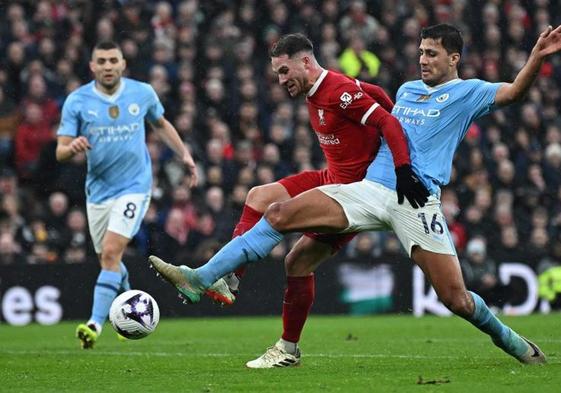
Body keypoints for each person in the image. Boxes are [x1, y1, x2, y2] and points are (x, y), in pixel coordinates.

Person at [150, 23, 559, 367]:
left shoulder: (469, 92)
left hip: (416, 201)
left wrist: (536, 59)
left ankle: (514, 343)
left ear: (454, 58)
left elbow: (513, 94)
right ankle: (202, 277)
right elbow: (378, 107)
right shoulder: (407, 90)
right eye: (421, 51)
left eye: (432, 53)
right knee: (276, 213)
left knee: (456, 299)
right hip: (368, 190)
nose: (423, 59)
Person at [195, 33, 428, 356]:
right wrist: (385, 103)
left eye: (284, 71)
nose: (280, 80)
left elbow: (387, 122)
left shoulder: (339, 93)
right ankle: (231, 278)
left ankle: (287, 347)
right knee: (258, 196)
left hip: (349, 195)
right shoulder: (321, 88)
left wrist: (402, 167)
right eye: (278, 73)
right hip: (327, 177)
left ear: (305, 62)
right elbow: (372, 93)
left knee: (297, 261)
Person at [55, 41, 228, 349]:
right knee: (109, 260)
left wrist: (185, 155)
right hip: (97, 193)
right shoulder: (77, 101)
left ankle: (95, 324)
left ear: (123, 64)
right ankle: (130, 311)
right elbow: (60, 152)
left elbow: (161, 124)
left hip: (135, 187)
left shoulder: (142, 92)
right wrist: (72, 149)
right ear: (92, 66)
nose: (108, 66)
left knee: (110, 253)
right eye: (102, 61)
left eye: (113, 60)